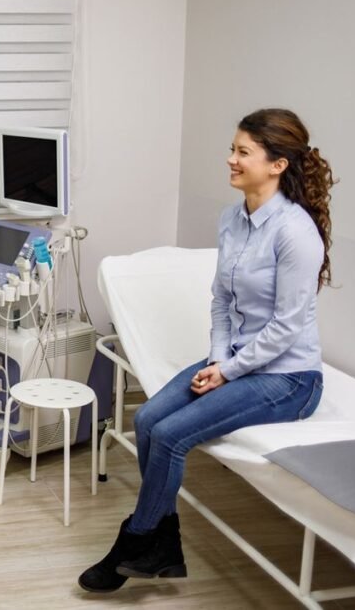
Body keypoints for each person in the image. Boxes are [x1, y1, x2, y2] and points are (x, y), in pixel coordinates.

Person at [79, 108, 336, 593]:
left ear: (277, 164)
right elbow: (220, 298)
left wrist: (230, 370)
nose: (230, 160)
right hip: (237, 358)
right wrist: (219, 359)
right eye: (233, 149)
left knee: (173, 434)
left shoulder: (296, 233)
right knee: (148, 418)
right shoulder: (232, 219)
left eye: (243, 152)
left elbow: (287, 327)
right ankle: (164, 540)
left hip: (288, 378)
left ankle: (137, 540)